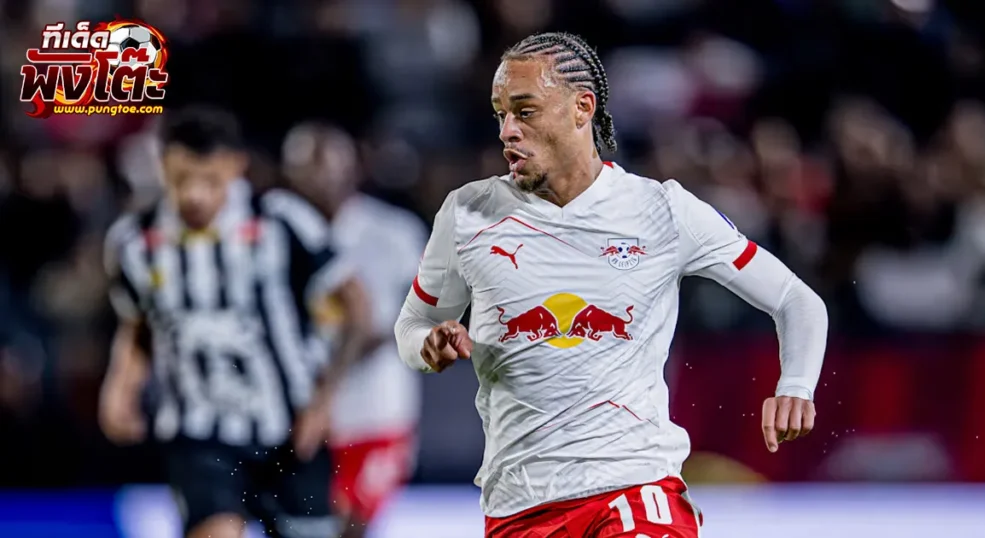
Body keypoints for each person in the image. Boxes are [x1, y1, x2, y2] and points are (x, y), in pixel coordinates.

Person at [394, 32, 828, 538]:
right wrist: (427, 345)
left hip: (634, 489)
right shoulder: (468, 213)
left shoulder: (662, 209)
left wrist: (795, 387)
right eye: (500, 114)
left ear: (582, 108)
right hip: (519, 504)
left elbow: (796, 299)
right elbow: (414, 322)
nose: (507, 131)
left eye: (525, 111)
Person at [98, 106, 373, 538]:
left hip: (290, 429)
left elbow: (357, 308)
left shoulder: (282, 221)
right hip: (198, 432)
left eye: (209, 180)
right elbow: (138, 324)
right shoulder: (134, 241)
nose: (194, 196)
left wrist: (324, 398)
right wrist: (121, 384)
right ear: (163, 167)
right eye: (181, 179)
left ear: (235, 167)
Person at [282, 121, 426, 537]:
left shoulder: (395, 233)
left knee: (352, 527)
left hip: (373, 411)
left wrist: (330, 362)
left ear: (353, 167)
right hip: (298, 416)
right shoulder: (276, 232)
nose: (320, 179)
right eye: (307, 168)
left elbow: (415, 317)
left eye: (328, 165)